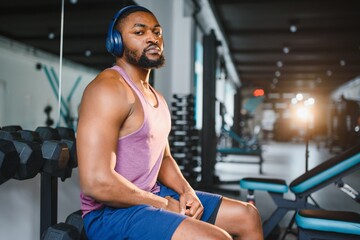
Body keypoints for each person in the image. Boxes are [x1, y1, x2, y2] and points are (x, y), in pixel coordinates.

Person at [77, 5, 263, 240]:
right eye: (140, 32)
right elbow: (96, 183)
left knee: (248, 215)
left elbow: (163, 158)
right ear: (116, 42)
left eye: (157, 32)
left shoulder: (157, 97)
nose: (152, 38)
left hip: (149, 195)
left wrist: (187, 191)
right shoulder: (108, 88)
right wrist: (163, 204)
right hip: (110, 214)